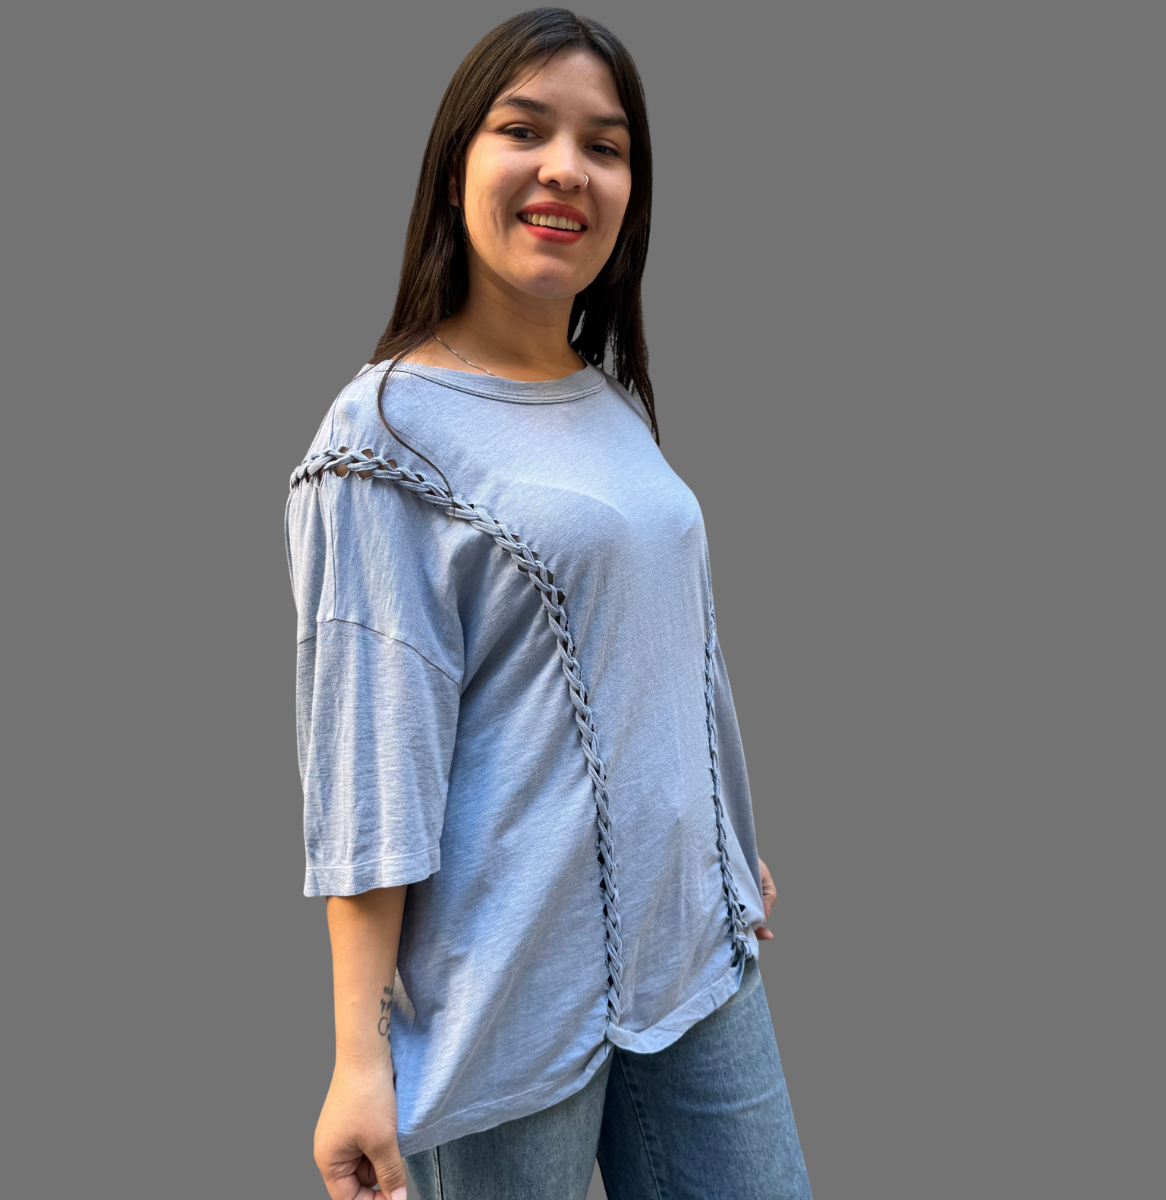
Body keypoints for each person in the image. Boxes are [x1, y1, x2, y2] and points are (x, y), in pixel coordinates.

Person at [284, 9, 813, 1199]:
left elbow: (671, 647)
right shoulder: (384, 436)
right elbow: (371, 763)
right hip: (509, 992)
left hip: (699, 958)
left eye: (605, 146)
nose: (567, 169)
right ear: (454, 166)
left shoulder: (609, 402)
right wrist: (358, 1059)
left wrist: (723, 838)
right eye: (524, 130)